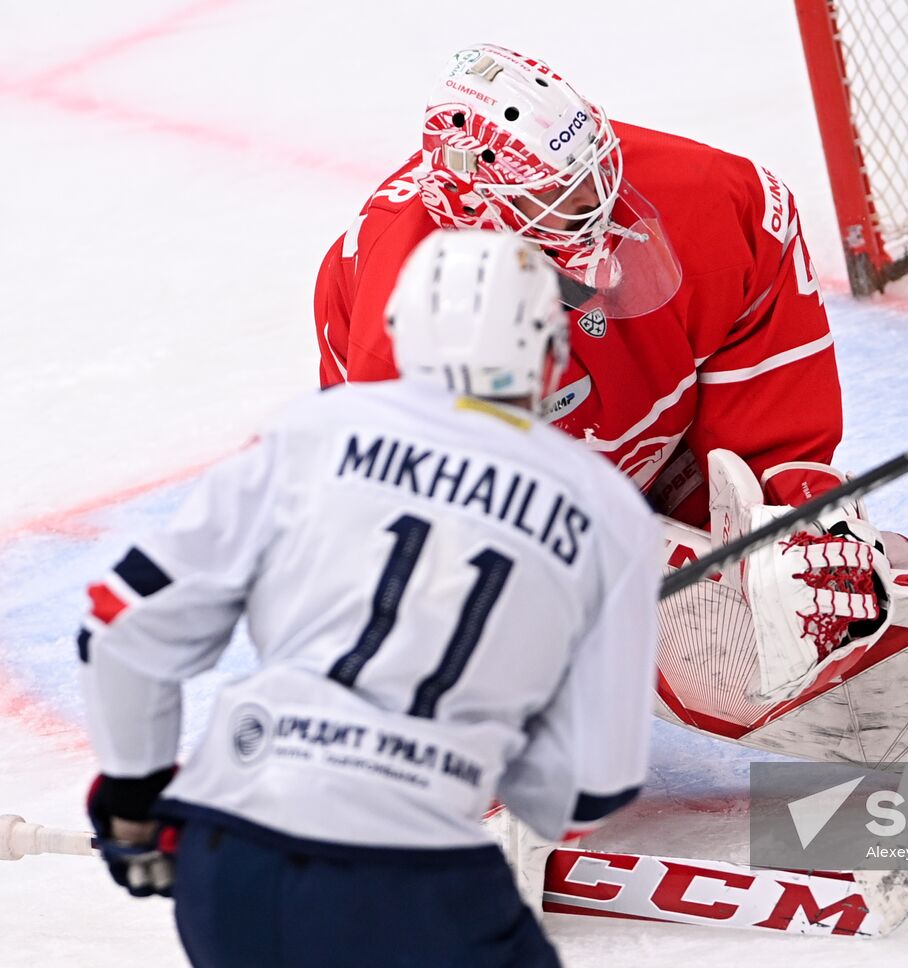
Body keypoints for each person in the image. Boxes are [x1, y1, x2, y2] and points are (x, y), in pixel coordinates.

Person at [314, 45, 908, 802]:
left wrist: (800, 517)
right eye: (558, 202)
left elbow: (772, 419)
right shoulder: (410, 311)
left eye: (594, 177)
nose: (594, 208)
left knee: (794, 608)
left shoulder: (710, 201)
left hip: (659, 450)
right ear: (474, 202)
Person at [79, 230, 661, 968]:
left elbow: (120, 625)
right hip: (419, 887)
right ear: (551, 351)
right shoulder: (608, 512)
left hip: (233, 861)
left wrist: (132, 801)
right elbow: (585, 790)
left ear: (397, 328)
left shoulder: (314, 433)